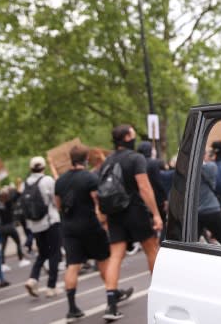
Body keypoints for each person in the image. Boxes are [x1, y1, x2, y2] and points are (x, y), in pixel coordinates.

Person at [55, 145, 131, 323]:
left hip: (69, 228)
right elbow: (99, 199)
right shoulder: (89, 178)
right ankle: (112, 298)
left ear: (70, 159)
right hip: (89, 225)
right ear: (86, 159)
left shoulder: (60, 181)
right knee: (104, 261)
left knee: (73, 265)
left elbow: (57, 204)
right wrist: (104, 219)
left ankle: (72, 308)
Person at [101, 124, 162, 321]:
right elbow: (144, 187)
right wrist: (156, 214)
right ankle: (160, 292)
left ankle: (111, 304)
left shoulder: (107, 161)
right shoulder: (136, 158)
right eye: (133, 134)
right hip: (135, 211)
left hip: (114, 214)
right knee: (152, 250)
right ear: (128, 137)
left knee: (115, 256)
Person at [24, 156, 62, 298]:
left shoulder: (26, 182)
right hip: (50, 221)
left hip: (35, 225)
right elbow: (55, 200)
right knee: (54, 253)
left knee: (43, 253)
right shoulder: (47, 180)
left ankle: (33, 278)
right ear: (44, 167)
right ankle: (51, 286)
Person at [197, 156, 221, 246]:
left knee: (191, 243)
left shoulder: (186, 172)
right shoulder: (211, 167)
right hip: (212, 209)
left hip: (195, 213)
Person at [0, 187, 29, 269]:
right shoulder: (9, 203)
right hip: (10, 226)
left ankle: (2, 263)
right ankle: (21, 259)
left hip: (2, 227)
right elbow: (17, 195)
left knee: (3, 246)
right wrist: (13, 188)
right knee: (18, 243)